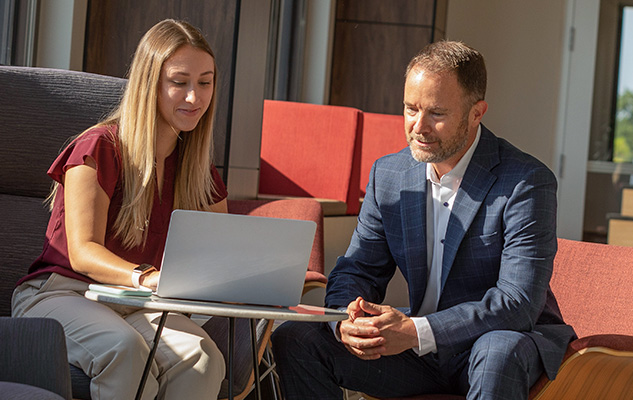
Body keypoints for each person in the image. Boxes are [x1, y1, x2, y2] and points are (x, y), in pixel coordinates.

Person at [271, 41, 576, 399]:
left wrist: (417, 330)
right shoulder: (390, 175)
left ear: (477, 113)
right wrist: (347, 321)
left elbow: (517, 304)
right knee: (296, 337)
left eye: (436, 113)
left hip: (501, 343)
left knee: (497, 352)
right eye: (411, 109)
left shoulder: (525, 181)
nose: (419, 126)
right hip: (419, 355)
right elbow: (358, 269)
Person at [11, 19, 226, 400]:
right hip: (64, 294)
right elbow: (83, 253)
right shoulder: (97, 148)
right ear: (149, 84)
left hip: (139, 305)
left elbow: (217, 256)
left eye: (205, 82)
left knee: (202, 357)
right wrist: (147, 278)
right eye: (179, 82)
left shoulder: (197, 170)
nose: (194, 97)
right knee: (126, 350)